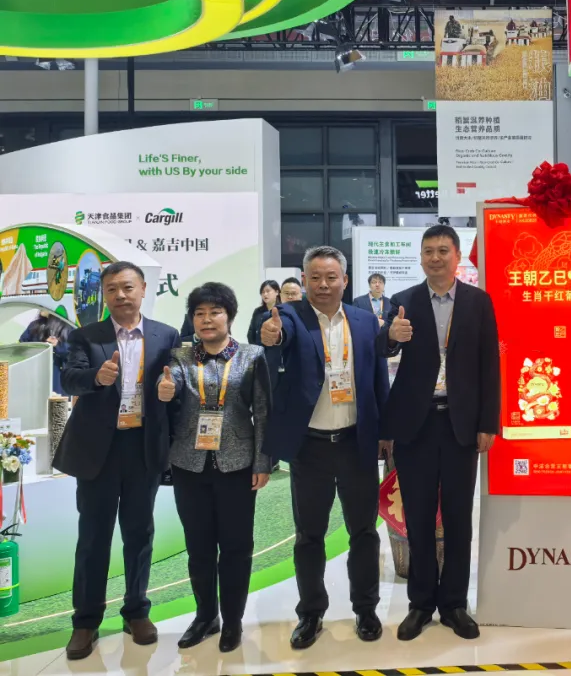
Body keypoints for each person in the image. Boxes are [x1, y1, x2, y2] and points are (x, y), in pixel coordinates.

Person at [258, 247, 388, 649]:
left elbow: (377, 378)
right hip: (310, 448)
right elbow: (276, 333)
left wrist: (384, 432)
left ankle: (366, 608)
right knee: (308, 536)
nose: (323, 285)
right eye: (315, 277)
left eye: (331, 277)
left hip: (355, 443)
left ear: (345, 280)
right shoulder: (292, 316)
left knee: (363, 532)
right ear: (304, 280)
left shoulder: (364, 322)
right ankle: (311, 613)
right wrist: (271, 333)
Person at [54, 262, 181, 660]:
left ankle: (136, 611)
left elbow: (177, 384)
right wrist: (97, 377)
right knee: (93, 537)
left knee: (139, 534)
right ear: (104, 295)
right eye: (112, 289)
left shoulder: (166, 335)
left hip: (143, 448)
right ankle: (86, 620)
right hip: (99, 451)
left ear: (142, 289)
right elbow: (68, 378)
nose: (121, 295)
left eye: (128, 287)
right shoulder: (85, 336)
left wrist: (172, 389)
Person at [379, 225, 499, 641]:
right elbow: (382, 349)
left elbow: (489, 365)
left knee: (459, 517)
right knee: (418, 516)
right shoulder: (403, 301)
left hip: (461, 423)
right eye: (428, 251)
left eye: (443, 250)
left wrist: (488, 422)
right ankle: (420, 604)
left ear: (457, 256)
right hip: (416, 423)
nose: (435, 258)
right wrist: (390, 337)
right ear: (421, 257)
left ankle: (453, 604)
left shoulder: (478, 302)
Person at [157, 283, 272, 653]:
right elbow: (170, 383)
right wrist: (165, 388)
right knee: (199, 547)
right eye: (200, 313)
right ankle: (206, 616)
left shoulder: (252, 356)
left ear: (230, 317)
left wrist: (263, 462)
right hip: (189, 466)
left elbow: (263, 412)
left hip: (237, 464)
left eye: (215, 312)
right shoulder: (180, 357)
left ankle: (233, 621)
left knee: (236, 547)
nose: (207, 320)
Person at [19, 309, 72, 394]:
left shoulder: (67, 328)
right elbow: (22, 347)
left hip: (58, 377)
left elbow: (74, 354)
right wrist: (39, 347)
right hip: (35, 375)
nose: (41, 307)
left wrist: (58, 345)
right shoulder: (34, 325)